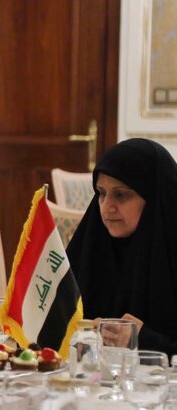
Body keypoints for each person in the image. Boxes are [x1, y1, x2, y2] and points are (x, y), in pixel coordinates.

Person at [67, 138, 177, 355]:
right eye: (101, 193)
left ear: (153, 198)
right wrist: (80, 336)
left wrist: (143, 339)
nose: (107, 207)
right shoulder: (91, 248)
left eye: (121, 195)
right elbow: (43, 336)